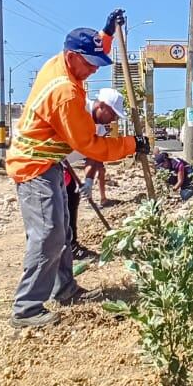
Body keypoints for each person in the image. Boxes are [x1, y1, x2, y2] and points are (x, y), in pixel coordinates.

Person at [5, 10, 150, 329]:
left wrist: (106, 34)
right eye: (90, 64)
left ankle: (65, 289)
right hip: (34, 166)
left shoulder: (63, 63)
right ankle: (26, 308)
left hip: (49, 162)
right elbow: (91, 146)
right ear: (72, 57)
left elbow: (90, 50)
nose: (93, 70)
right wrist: (131, 145)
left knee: (62, 230)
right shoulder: (66, 92)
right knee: (48, 235)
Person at [63, 87, 126, 260]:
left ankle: (72, 245)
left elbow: (94, 155)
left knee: (72, 199)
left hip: (64, 164)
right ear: (102, 106)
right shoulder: (78, 109)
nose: (113, 119)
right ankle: (60, 252)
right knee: (56, 208)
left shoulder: (100, 128)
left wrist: (88, 181)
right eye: (113, 114)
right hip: (49, 160)